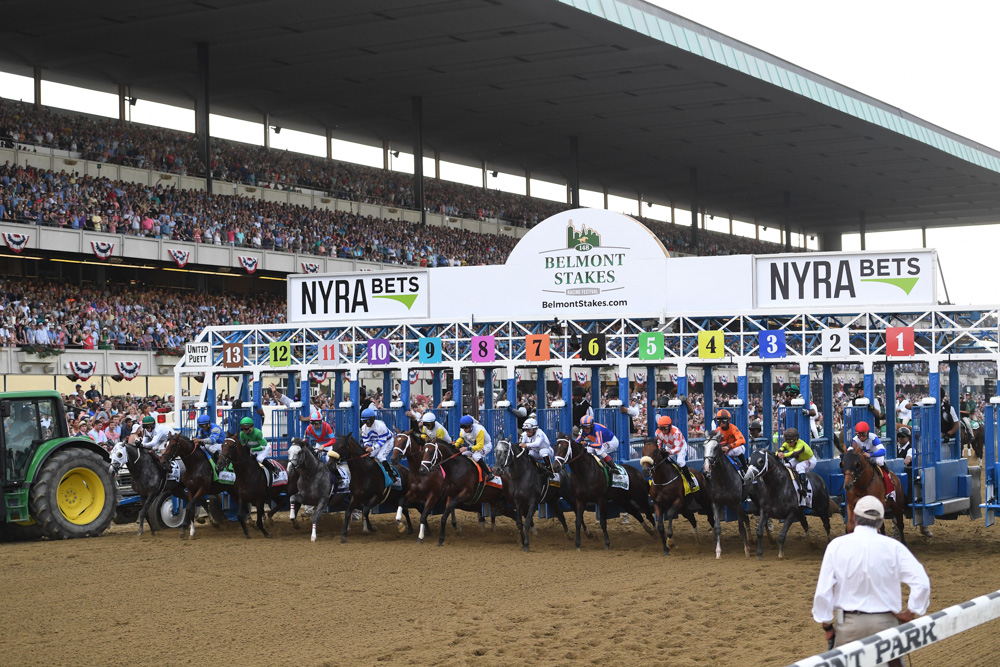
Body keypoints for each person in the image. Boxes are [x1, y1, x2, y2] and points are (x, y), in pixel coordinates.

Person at [811, 495, 930, 665]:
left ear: (854, 517)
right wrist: (910, 612)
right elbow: (922, 582)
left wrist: (827, 626)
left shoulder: (836, 546)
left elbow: (823, 593)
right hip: (886, 625)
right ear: (881, 521)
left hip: (849, 625)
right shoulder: (894, 547)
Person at [896, 426, 933, 537]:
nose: (900, 438)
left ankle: (923, 526)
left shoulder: (911, 449)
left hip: (909, 479)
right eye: (899, 436)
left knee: (917, 501)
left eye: (903, 436)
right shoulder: (896, 448)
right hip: (897, 478)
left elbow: (907, 461)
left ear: (908, 438)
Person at [851, 422, 895, 500]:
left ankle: (889, 485)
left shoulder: (873, 438)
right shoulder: (855, 440)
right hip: (863, 458)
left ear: (867, 433)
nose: (861, 438)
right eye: (859, 435)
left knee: (880, 462)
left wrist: (871, 455)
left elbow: (883, 451)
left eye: (863, 435)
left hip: (874, 456)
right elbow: (850, 451)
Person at [776, 427, 816, 503]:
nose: (789, 444)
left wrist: (784, 455)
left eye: (791, 441)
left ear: (796, 439)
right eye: (787, 441)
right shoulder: (787, 443)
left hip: (810, 460)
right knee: (785, 466)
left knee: (799, 466)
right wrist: (775, 454)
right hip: (798, 460)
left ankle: (804, 489)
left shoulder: (801, 445)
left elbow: (794, 453)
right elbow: (779, 451)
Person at [655, 414, 695, 488]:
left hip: (680, 446)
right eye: (661, 429)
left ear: (670, 427)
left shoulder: (676, 432)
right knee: (664, 461)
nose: (663, 431)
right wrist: (659, 449)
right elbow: (659, 443)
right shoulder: (658, 432)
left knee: (680, 462)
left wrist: (668, 452)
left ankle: (690, 481)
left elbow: (677, 448)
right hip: (670, 446)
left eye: (665, 429)